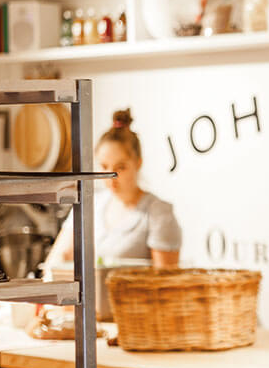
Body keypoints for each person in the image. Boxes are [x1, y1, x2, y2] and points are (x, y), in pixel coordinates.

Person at [46, 109, 181, 268]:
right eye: (104, 167)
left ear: (138, 163)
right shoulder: (91, 205)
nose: (111, 177)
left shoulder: (158, 213)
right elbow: (56, 260)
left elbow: (164, 282)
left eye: (121, 167)